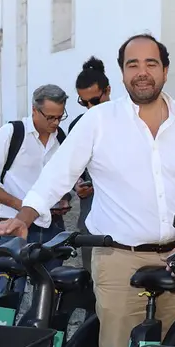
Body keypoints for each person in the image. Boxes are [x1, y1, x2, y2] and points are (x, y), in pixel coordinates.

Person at [0, 34, 175, 347]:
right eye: (133, 65)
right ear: (122, 73)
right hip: (118, 261)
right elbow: (59, 173)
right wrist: (26, 214)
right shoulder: (99, 121)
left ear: (165, 70)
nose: (142, 72)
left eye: (150, 63)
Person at [0, 84, 72, 294]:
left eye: (60, 117)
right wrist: (24, 207)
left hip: (53, 228)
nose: (55, 123)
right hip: (14, 228)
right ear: (34, 110)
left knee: (50, 295)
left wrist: (66, 197)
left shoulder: (62, 139)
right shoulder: (12, 134)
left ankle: (40, 328)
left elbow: (63, 180)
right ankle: (2, 328)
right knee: (9, 294)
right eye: (50, 117)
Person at [70, 56, 112, 273]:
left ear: (108, 91)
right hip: (89, 217)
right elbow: (71, 168)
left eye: (94, 101)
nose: (89, 107)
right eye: (83, 102)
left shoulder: (127, 122)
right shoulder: (78, 126)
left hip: (119, 221)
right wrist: (77, 184)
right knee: (90, 275)